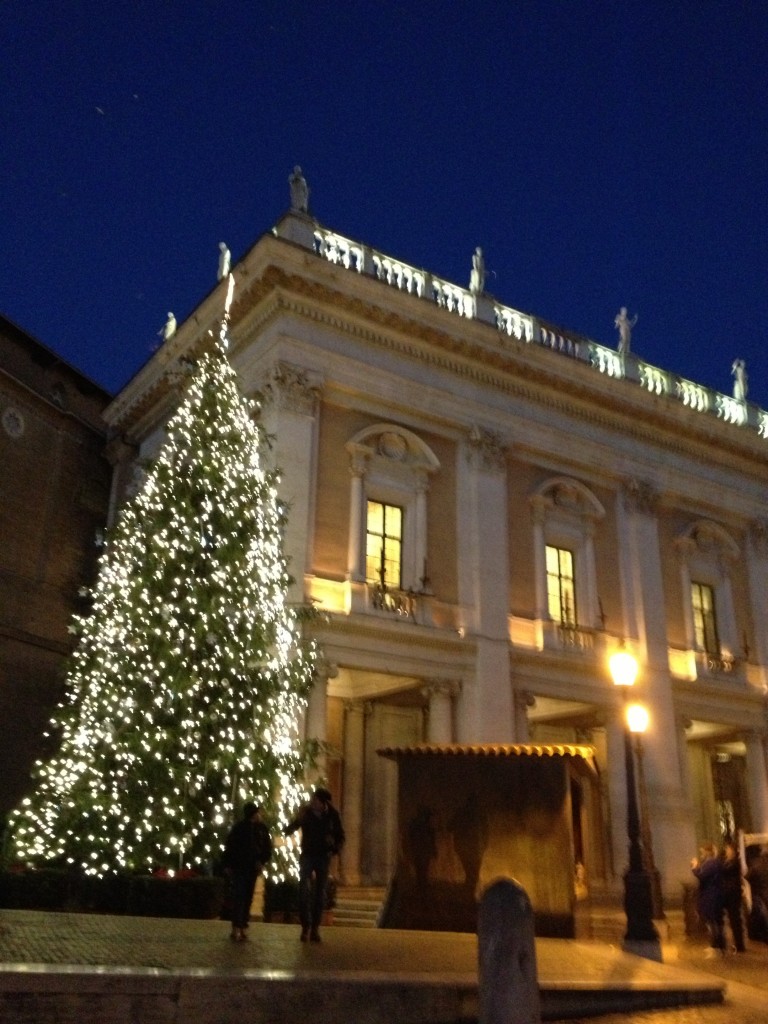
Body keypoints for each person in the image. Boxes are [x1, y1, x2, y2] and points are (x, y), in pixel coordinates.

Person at [284, 786, 345, 942]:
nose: (313, 802)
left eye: (316, 800)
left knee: (320, 893)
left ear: (322, 802)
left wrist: (335, 849)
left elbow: (340, 836)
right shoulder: (306, 813)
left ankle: (315, 929)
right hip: (308, 855)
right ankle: (306, 927)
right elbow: (295, 824)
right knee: (304, 890)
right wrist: (287, 829)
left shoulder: (332, 815)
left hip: (323, 856)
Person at [221, 801, 273, 942]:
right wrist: (229, 864)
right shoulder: (245, 828)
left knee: (245, 897)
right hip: (243, 867)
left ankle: (240, 926)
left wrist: (261, 861)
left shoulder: (257, 829)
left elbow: (266, 848)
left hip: (249, 868)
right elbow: (231, 847)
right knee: (241, 897)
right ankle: (238, 926)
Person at [691, 842, 725, 956]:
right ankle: (714, 945)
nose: (701, 855)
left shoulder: (712, 863)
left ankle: (717, 947)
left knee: (713, 922)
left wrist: (695, 867)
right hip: (710, 895)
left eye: (702, 852)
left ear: (707, 852)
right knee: (712, 921)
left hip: (711, 895)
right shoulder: (710, 863)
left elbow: (702, 876)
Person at [720, 841, 746, 952]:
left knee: (735, 920)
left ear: (733, 852)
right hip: (729, 894)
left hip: (733, 895)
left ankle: (740, 945)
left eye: (728, 849)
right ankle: (737, 943)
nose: (727, 851)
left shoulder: (735, 862)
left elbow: (724, 870)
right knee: (732, 920)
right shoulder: (728, 861)